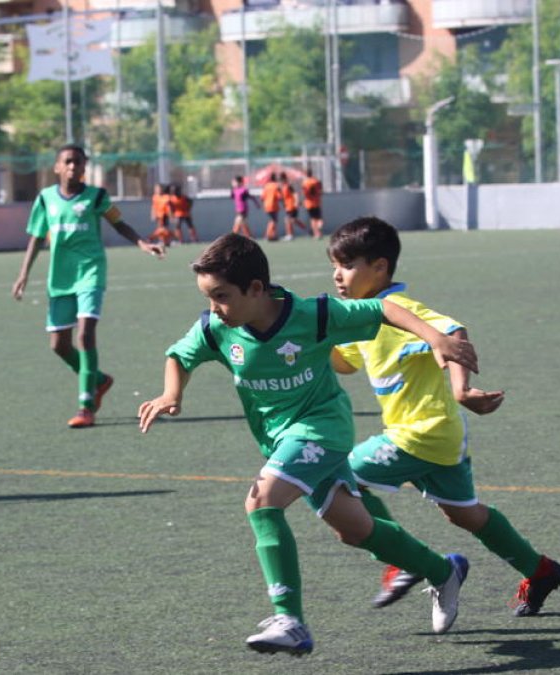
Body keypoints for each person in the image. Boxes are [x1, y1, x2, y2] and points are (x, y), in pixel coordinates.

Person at [138, 233, 479, 656]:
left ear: (256, 289)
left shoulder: (314, 315)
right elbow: (179, 355)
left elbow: (383, 309)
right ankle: (442, 570)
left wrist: (435, 338)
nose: (214, 308)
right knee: (356, 530)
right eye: (208, 298)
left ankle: (290, 620)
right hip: (279, 439)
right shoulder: (216, 328)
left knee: (262, 501)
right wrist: (172, 394)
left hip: (322, 429)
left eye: (221, 296)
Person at [326, 216, 560, 616]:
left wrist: (461, 389)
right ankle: (539, 569)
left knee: (341, 477)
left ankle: (400, 560)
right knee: (465, 514)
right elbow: (346, 363)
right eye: (334, 266)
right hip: (442, 436)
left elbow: (453, 332)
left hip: (420, 432)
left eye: (347, 266)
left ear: (380, 267)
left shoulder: (400, 309)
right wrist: (315, 339)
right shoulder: (361, 316)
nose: (337, 275)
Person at [12, 144, 166, 429]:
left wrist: (142, 243)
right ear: (57, 167)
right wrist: (24, 274)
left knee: (85, 335)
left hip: (90, 273)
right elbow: (36, 237)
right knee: (59, 345)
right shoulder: (45, 199)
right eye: (68, 161)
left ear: (85, 167)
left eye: (79, 162)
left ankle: (86, 406)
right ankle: (99, 380)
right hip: (60, 278)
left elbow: (119, 223)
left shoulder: (96, 196)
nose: (73, 166)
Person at [149, 183, 174, 247]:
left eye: (158, 189)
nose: (157, 190)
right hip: (158, 215)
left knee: (163, 230)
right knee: (161, 229)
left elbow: (169, 207)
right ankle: (162, 241)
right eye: (156, 189)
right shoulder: (155, 197)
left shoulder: (166, 197)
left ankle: (152, 238)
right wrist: (153, 214)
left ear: (162, 189)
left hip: (165, 215)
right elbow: (153, 206)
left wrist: (171, 216)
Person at [301, 169, 324, 238]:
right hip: (316, 202)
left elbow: (304, 193)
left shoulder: (305, 182)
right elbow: (321, 191)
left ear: (306, 174)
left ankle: (316, 233)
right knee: (319, 218)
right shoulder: (316, 181)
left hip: (309, 203)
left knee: (313, 219)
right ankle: (319, 228)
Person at [260, 173, 281, 241]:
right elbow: (279, 196)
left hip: (267, 205)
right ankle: (268, 235)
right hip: (273, 205)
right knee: (273, 220)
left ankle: (273, 235)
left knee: (272, 220)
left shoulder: (266, 186)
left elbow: (262, 197)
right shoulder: (276, 185)